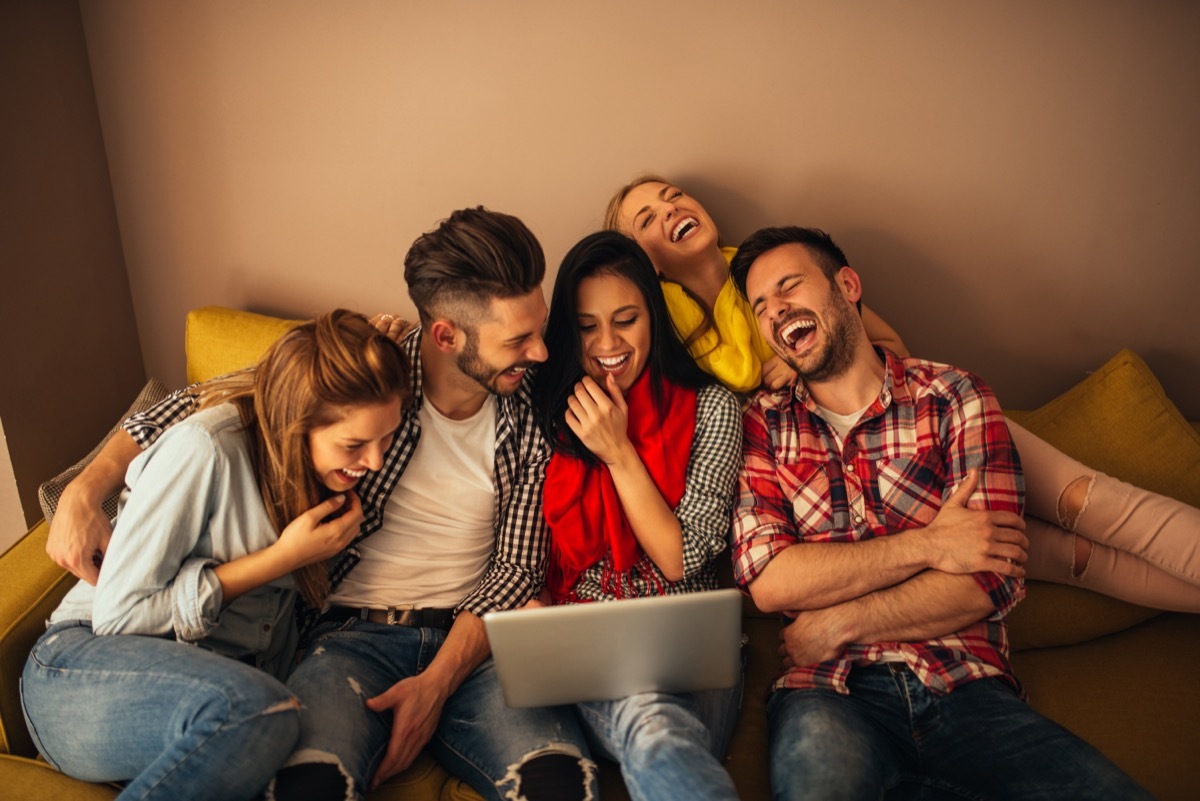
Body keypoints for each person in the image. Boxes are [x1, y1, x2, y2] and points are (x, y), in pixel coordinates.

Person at [42, 208, 598, 801]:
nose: (540, 353)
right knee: (307, 783)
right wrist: (85, 485)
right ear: (445, 335)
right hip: (348, 638)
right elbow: (203, 406)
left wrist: (437, 683)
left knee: (560, 780)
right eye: (518, 339)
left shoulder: (534, 406)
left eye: (538, 331)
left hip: (473, 645)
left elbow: (515, 567)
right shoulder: (366, 370)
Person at [606, 175, 1200, 612]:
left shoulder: (773, 264)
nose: (671, 209)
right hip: (833, 480)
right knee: (1060, 558)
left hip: (918, 425)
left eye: (672, 196)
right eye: (647, 218)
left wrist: (800, 369)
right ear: (643, 258)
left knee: (1088, 503)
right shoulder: (664, 337)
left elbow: (890, 342)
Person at [728, 225, 1153, 800]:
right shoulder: (763, 424)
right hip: (828, 695)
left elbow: (986, 581)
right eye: (761, 307)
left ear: (847, 285)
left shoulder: (956, 396)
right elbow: (773, 583)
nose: (777, 312)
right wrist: (930, 544)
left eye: (789, 288)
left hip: (968, 692)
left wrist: (838, 621)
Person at [20, 310, 405, 801]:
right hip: (80, 671)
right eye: (355, 444)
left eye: (386, 437)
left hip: (205, 702)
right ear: (296, 422)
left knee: (290, 745)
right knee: (260, 709)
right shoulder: (208, 449)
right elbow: (120, 618)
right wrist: (280, 559)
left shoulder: (320, 483)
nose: (374, 461)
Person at [532, 231, 742, 801]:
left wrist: (618, 451)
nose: (607, 343)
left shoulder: (713, 408)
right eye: (586, 326)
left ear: (653, 315)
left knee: (657, 719)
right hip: (589, 650)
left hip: (686, 649)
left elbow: (681, 558)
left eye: (625, 319)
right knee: (650, 722)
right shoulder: (544, 412)